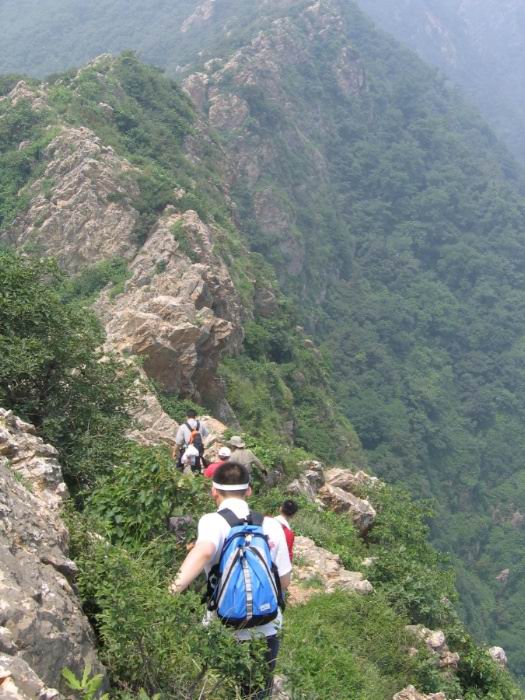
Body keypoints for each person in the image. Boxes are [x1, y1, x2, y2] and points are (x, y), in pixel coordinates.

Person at [169, 461, 291, 699]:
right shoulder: (272, 525)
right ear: (249, 490)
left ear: (214, 490)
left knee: (218, 691)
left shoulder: (212, 521)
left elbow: (204, 551)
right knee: (256, 693)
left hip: (223, 627)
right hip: (267, 627)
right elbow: (284, 583)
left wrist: (168, 593)